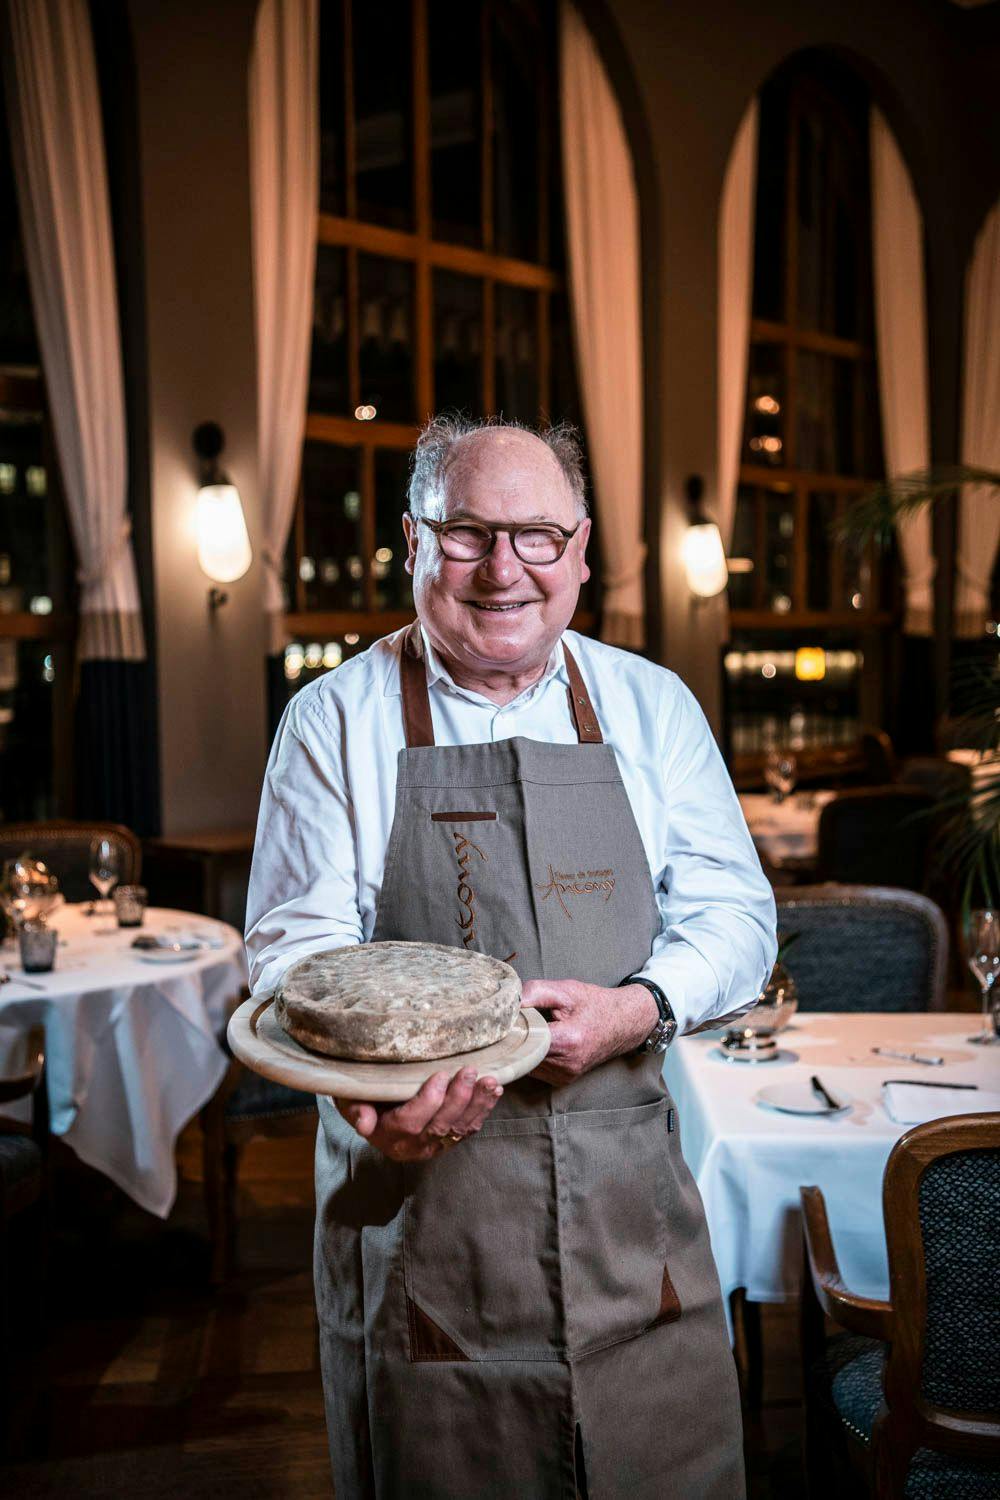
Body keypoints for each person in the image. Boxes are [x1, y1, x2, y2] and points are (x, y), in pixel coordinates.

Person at [246, 415, 777, 1500]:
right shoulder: (329, 722)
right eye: (468, 532)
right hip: (423, 1209)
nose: (503, 570)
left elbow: (736, 917)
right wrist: (378, 1108)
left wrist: (635, 1009)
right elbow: (296, 958)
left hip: (636, 1224)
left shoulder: (650, 707)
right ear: (410, 543)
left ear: (581, 551)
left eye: (536, 536)